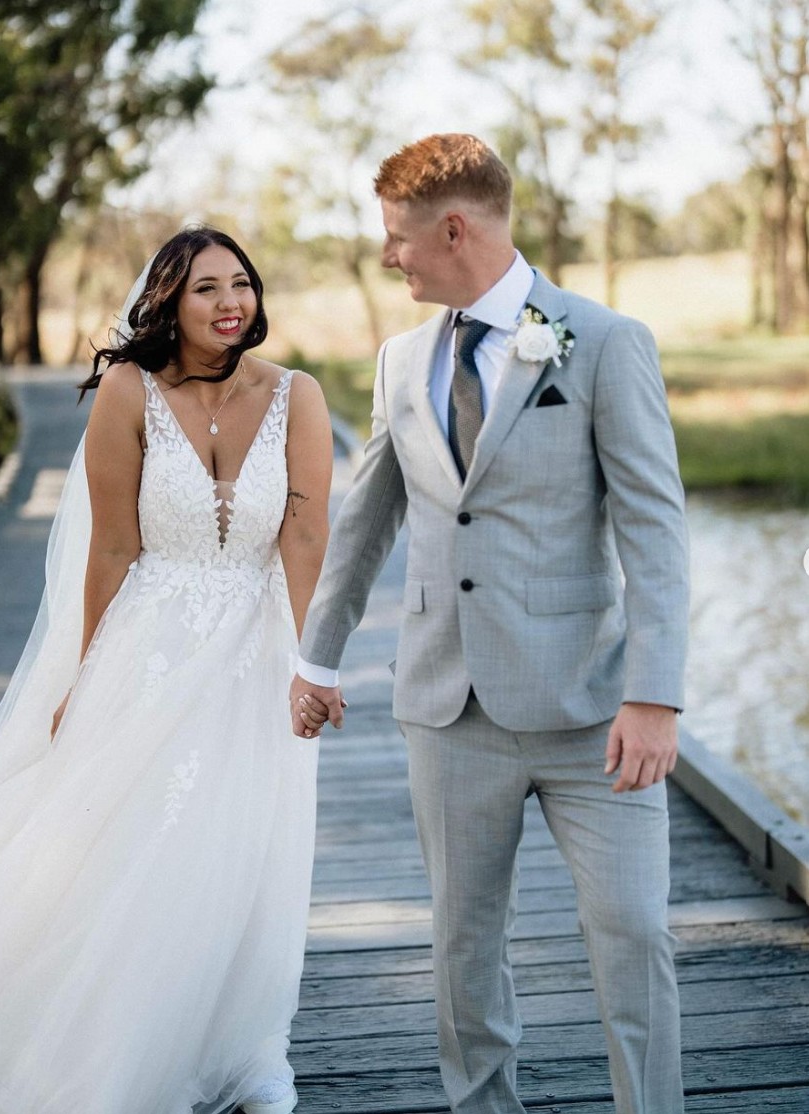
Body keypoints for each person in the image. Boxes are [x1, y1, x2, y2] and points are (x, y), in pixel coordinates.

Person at [0, 227, 332, 1114]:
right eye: (205, 288)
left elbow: (306, 535)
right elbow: (114, 548)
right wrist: (84, 678)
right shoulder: (129, 391)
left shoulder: (296, 394)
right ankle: (114, 1044)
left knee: (246, 846)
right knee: (141, 843)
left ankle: (248, 1048)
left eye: (240, 283)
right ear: (167, 303)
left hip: (256, 652)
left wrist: (307, 662)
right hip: (150, 645)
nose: (229, 303)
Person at [291, 134, 689, 1114]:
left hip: (592, 713)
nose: (387, 254)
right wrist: (317, 657)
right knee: (463, 945)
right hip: (446, 706)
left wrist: (653, 696)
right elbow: (366, 520)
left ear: (454, 230)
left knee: (633, 932)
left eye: (397, 236)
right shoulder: (399, 361)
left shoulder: (603, 342)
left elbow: (654, 531)